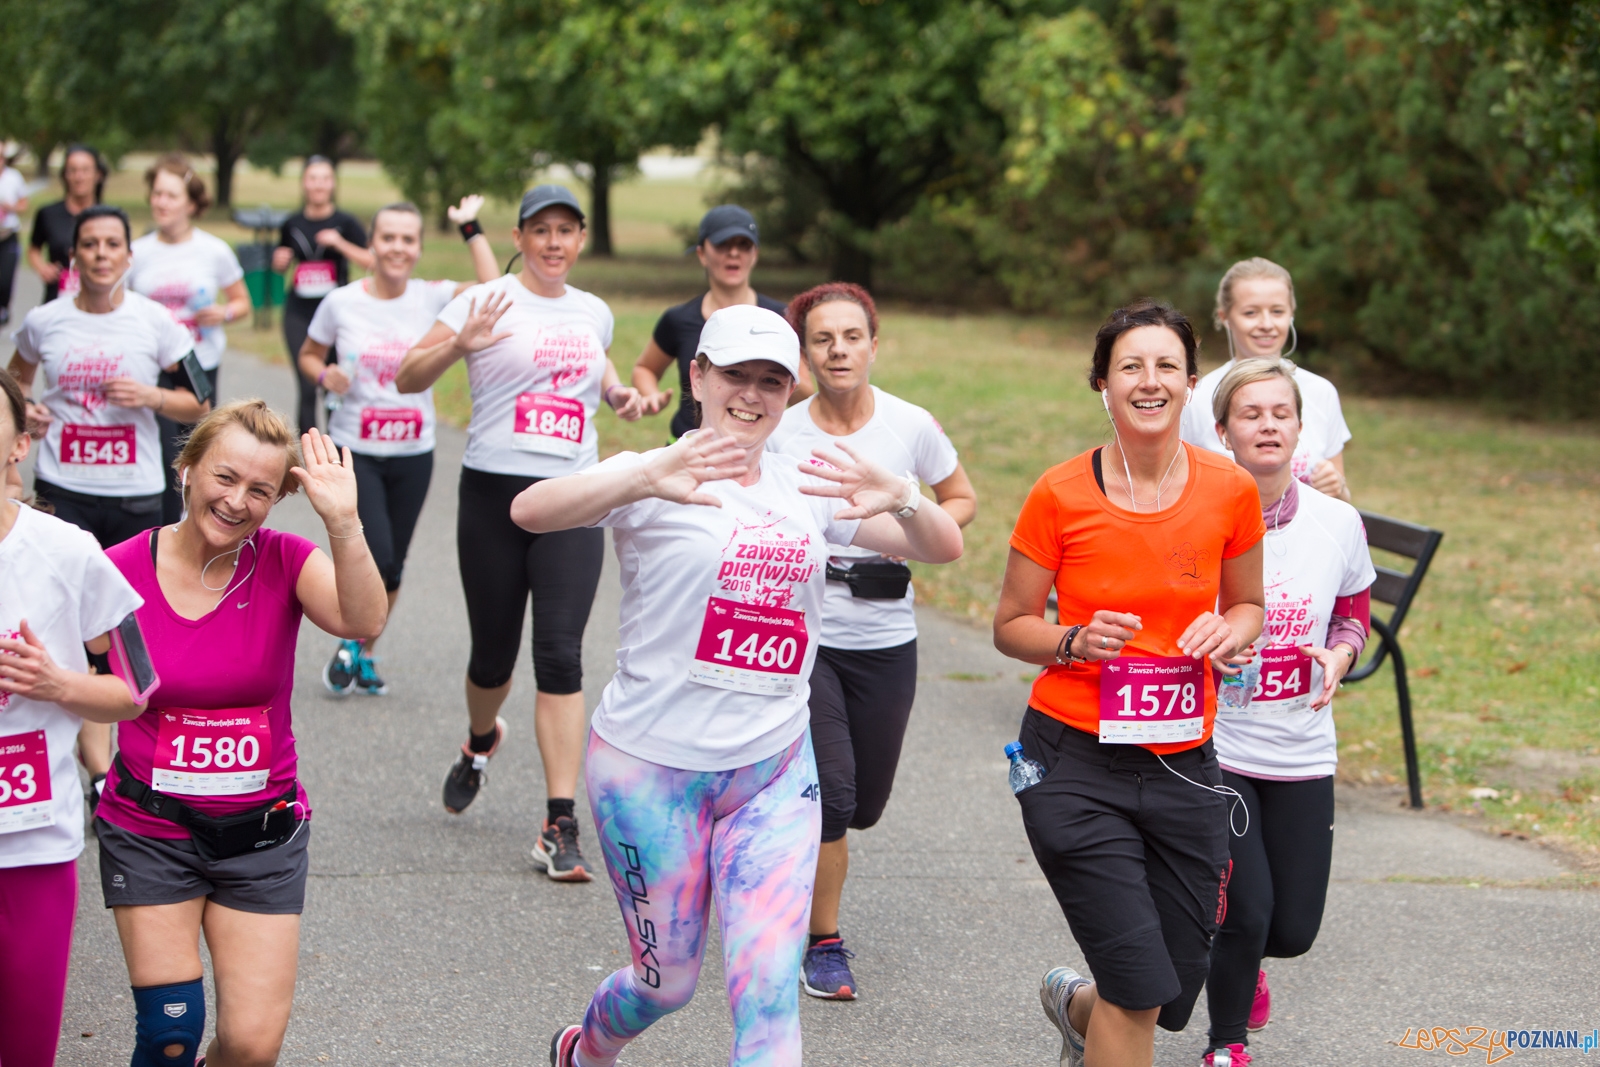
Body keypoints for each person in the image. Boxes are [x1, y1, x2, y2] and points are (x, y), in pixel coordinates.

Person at [514, 303, 963, 1067]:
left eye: (771, 382)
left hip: (774, 771)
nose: (751, 396)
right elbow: (530, 511)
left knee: (767, 1005)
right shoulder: (652, 476)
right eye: (734, 376)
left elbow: (942, 546)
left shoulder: (806, 482)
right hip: (649, 770)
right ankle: (585, 1050)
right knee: (665, 984)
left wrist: (905, 495)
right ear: (698, 376)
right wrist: (643, 472)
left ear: (789, 391)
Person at [992, 299, 1266, 1067]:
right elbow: (1012, 624)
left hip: (1185, 765)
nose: (1150, 381)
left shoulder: (1230, 489)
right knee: (1140, 985)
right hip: (1074, 763)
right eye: (1130, 367)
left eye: (1166, 365)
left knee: (1172, 990)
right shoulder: (1059, 493)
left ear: (1190, 380)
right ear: (1103, 386)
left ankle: (1076, 1006)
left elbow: (1248, 604)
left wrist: (1230, 631)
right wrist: (1074, 640)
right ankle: (1103, 1008)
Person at [97, 402, 387, 1067]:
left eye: (259, 489)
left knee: (251, 1046)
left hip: (262, 836)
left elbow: (362, 617)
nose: (236, 501)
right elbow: (69, 673)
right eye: (224, 477)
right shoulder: (118, 570)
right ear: (187, 469)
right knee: (171, 1031)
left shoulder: (285, 560)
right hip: (152, 831)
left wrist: (343, 520)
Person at [398, 183, 650, 880]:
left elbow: (598, 376)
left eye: (567, 230)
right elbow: (405, 374)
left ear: (579, 239)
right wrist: (459, 345)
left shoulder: (593, 311)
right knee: (492, 657)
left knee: (561, 655)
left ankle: (558, 820)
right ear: (519, 237)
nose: (554, 242)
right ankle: (481, 739)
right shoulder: (483, 301)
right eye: (541, 230)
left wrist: (621, 395)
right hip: (493, 496)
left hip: (572, 494)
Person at [765, 281, 976, 1000]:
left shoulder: (910, 425)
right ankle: (822, 940)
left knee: (867, 802)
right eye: (823, 339)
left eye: (851, 336)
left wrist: (907, 520)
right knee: (836, 795)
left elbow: (962, 500)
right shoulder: (786, 433)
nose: (839, 349)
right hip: (808, 636)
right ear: (806, 354)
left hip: (887, 636)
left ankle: (773, 843)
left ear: (874, 343)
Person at [1200, 359, 1374, 1066]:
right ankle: (1226, 1043)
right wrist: (1210, 654)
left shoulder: (1338, 522)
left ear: (1301, 428)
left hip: (1304, 748)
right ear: (1222, 431)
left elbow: (1355, 612)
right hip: (1222, 746)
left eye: (1281, 412)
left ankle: (1199, 935)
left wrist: (1339, 657)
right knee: (1248, 909)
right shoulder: (1204, 521)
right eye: (1251, 413)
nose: (1268, 424)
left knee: (1292, 927)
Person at [0, 367, 147, 1067]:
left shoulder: (67, 552)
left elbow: (138, 685)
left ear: (19, 442)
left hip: (31, 841)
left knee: (24, 1049)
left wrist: (59, 682)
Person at [298, 196, 498, 696]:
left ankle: (359, 650)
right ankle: (352, 641)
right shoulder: (341, 302)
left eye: (408, 239)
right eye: (388, 237)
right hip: (355, 450)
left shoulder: (432, 298)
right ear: (371, 243)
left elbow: (494, 288)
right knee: (378, 553)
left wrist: (470, 228)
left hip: (414, 452)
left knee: (395, 564)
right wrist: (327, 374)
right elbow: (307, 354)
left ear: (419, 248)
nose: (397, 247)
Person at [7, 205, 209, 547]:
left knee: (131, 600)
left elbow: (200, 405)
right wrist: (25, 406)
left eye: (112, 244)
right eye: (90, 244)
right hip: (62, 486)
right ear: (73, 256)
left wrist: (150, 396)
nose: (101, 254)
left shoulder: (157, 322)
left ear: (129, 256)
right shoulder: (43, 320)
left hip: (135, 491)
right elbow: (16, 382)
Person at [128, 153, 252, 524]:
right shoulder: (138, 252)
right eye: (156, 194)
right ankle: (167, 532)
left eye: (170, 195)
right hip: (156, 369)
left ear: (192, 203)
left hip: (200, 364)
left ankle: (197, 528)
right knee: (167, 454)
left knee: (199, 456)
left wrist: (223, 313)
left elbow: (242, 301)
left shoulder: (213, 250)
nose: (160, 202)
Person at [1180, 257, 1352, 502]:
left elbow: (1341, 501)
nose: (1266, 324)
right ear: (1225, 317)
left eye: (1277, 311)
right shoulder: (1198, 398)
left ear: (1291, 314)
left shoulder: (1321, 392)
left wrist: (1337, 488)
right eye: (1251, 312)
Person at [631, 204, 806, 439]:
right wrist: (651, 394)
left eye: (744, 245)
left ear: (755, 254)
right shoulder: (679, 319)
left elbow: (803, 391)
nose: (734, 253)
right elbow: (645, 368)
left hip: (754, 450)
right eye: (723, 244)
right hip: (688, 447)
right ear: (701, 253)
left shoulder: (781, 319)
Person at [272, 156, 372, 435]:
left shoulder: (346, 223)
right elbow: (281, 264)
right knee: (307, 385)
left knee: (332, 383)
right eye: (313, 178)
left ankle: (334, 450)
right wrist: (278, 262)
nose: (318, 184)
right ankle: (308, 454)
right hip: (298, 311)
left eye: (324, 178)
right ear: (304, 183)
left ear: (333, 184)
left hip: (337, 313)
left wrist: (339, 243)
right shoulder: (291, 223)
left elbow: (372, 260)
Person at [27, 143, 107, 304]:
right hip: (57, 297)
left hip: (98, 299)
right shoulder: (48, 213)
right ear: (65, 175)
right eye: (73, 170)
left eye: (85, 170)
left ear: (98, 175)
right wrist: (42, 267)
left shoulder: (109, 217)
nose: (79, 177)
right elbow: (34, 248)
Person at [0, 142, 29, 324]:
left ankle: (3, 307)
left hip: (8, 233)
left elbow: (24, 203)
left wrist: (10, 207)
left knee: (5, 278)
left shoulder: (13, 177)